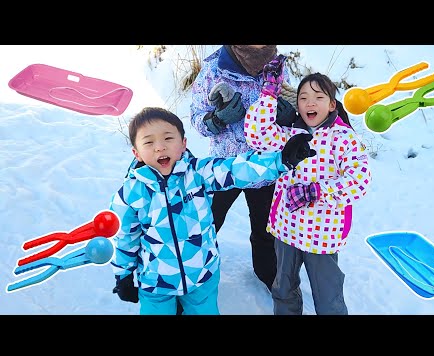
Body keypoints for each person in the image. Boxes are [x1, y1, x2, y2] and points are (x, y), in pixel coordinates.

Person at [109, 106, 315, 315]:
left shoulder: (198, 173)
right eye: (149, 142)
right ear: (137, 152)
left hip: (202, 275)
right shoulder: (131, 194)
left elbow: (236, 168)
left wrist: (280, 160)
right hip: (156, 284)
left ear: (183, 144)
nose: (160, 147)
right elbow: (125, 237)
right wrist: (123, 274)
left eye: (168, 138)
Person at [244, 55, 372, 315]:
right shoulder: (291, 135)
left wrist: (316, 191)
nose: (310, 103)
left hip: (322, 235)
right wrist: (269, 93)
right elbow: (257, 135)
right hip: (286, 229)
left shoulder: (344, 138)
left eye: (318, 97)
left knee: (328, 297)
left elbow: (359, 180)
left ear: (332, 104)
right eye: (303, 97)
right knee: (283, 289)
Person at [190, 45, 297, 293]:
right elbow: (196, 116)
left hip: (265, 167)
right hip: (225, 168)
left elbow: (296, 104)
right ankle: (191, 270)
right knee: (206, 223)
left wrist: (288, 116)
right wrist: (216, 119)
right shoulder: (214, 68)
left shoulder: (277, 68)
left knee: (265, 231)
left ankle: (268, 274)